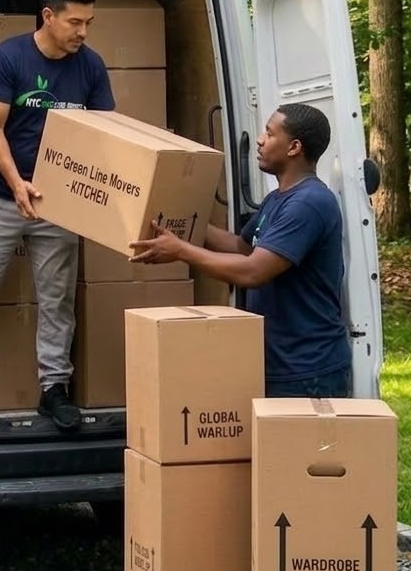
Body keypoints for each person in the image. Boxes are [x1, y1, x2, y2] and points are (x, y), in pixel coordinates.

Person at [0, 0, 115, 429]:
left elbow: (106, 133)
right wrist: (17, 183)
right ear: (48, 16)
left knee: (57, 299)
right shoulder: (8, 58)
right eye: (75, 22)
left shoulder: (91, 67)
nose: (83, 32)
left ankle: (55, 389)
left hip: (59, 203)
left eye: (89, 23)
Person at [129, 103, 351, 398]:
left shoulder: (308, 203)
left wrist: (181, 250)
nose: (259, 140)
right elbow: (243, 248)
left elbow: (253, 270)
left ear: (294, 147)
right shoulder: (277, 199)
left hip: (307, 370)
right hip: (280, 363)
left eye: (270, 134)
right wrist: (180, 219)